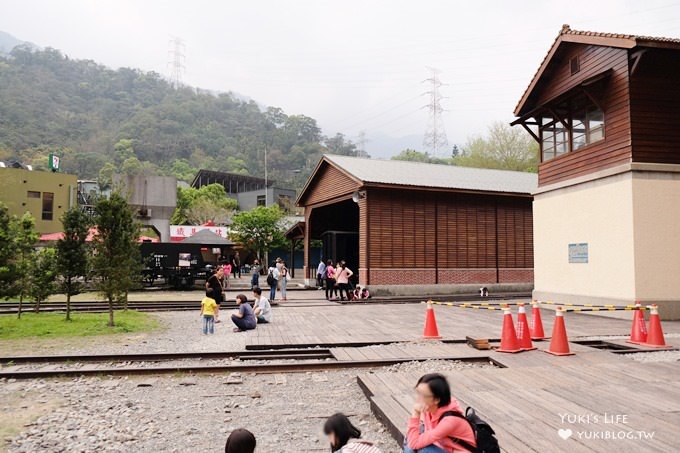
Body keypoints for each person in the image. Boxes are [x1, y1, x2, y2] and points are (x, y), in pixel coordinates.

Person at [404, 373, 476, 453]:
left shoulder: (449, 421)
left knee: (424, 450)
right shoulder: (429, 409)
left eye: (422, 395)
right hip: (443, 447)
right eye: (417, 392)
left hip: (457, 451)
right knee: (410, 446)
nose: (417, 398)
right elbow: (412, 439)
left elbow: (415, 444)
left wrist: (415, 413)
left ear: (436, 400)